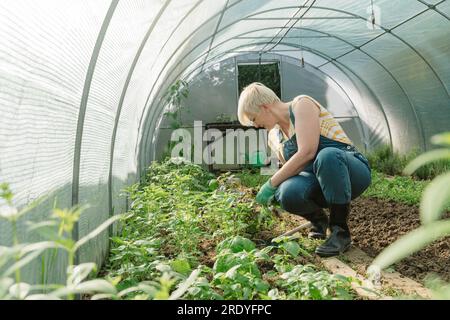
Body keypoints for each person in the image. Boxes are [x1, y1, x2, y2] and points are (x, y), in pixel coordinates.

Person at [237, 82, 371, 257]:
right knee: (286, 191)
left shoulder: (301, 105)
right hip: (318, 181)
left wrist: (271, 183)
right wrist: (274, 190)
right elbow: (290, 170)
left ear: (264, 107)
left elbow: (307, 152)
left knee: (327, 156)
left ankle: (340, 232)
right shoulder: (273, 136)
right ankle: (319, 222)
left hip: (350, 171)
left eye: (254, 119)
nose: (255, 126)